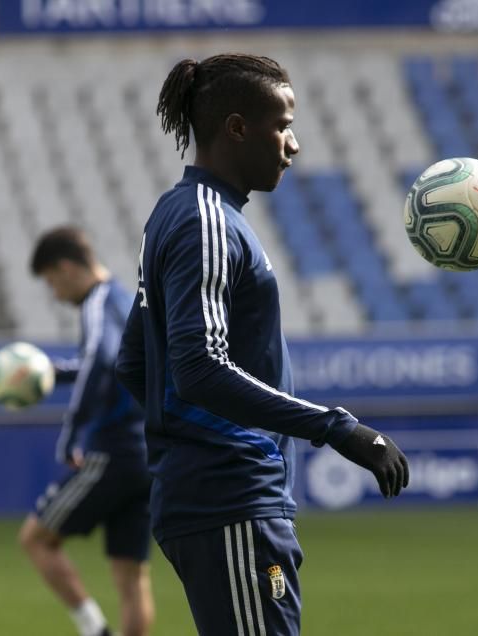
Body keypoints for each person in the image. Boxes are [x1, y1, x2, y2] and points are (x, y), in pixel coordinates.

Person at [115, 54, 410, 635]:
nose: (293, 144)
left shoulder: (183, 213)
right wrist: (338, 427)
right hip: (230, 497)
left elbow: (135, 361)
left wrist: (187, 441)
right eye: (283, 125)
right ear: (236, 127)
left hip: (216, 495)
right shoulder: (208, 223)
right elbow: (197, 367)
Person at [17, 226, 154, 636]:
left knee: (35, 539)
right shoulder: (127, 301)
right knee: (132, 576)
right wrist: (52, 372)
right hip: (145, 453)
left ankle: (95, 629)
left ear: (65, 268)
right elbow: (115, 364)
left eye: (52, 282)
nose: (55, 294)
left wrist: (72, 434)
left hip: (110, 450)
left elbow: (100, 360)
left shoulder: (96, 304)